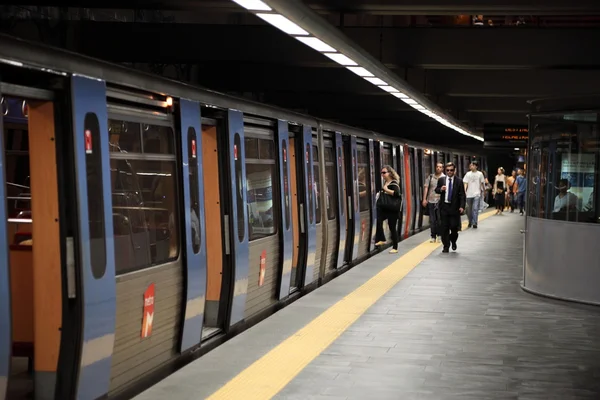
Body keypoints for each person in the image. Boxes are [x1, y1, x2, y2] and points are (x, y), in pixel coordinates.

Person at [435, 162, 466, 253]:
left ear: (454, 170)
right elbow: (436, 189)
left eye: (451, 170)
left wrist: (462, 206)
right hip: (444, 207)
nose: (449, 172)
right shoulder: (441, 180)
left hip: (454, 208)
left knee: (454, 228)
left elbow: (462, 195)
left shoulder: (459, 181)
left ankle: (453, 241)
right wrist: (441, 189)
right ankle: (446, 246)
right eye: (447, 170)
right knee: (444, 228)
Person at [374, 165, 402, 254]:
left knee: (392, 227)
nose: (382, 174)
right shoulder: (385, 182)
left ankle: (395, 247)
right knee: (379, 220)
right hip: (386, 208)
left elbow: (397, 194)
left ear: (390, 173)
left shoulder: (394, 183)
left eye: (384, 172)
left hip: (392, 209)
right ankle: (382, 239)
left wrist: (386, 190)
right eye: (381, 173)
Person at [422, 162, 445, 243]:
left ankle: (439, 235)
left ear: (442, 168)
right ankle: (433, 236)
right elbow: (426, 188)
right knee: (432, 220)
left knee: (439, 219)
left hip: (440, 201)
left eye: (440, 167)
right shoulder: (431, 177)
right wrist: (424, 199)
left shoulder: (444, 178)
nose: (438, 168)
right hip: (431, 201)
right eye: (437, 167)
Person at [463, 161, 485, 228]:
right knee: (469, 210)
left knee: (475, 209)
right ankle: (470, 222)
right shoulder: (467, 174)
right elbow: (465, 183)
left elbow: (482, 183)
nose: (470, 166)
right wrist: (464, 191)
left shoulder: (480, 174)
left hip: (477, 194)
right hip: (469, 194)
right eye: (470, 165)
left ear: (476, 166)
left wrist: (483, 191)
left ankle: (475, 223)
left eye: (472, 165)